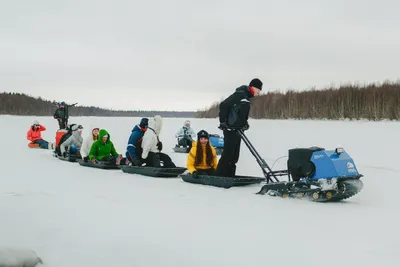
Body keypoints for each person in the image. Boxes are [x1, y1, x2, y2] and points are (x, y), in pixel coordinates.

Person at [214, 78, 262, 177]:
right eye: (258, 90)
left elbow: (240, 113)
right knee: (228, 154)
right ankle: (219, 175)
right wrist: (223, 122)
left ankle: (229, 175)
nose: (258, 92)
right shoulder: (240, 94)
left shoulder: (246, 97)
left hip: (238, 130)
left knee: (235, 155)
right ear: (253, 87)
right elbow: (224, 105)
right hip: (230, 129)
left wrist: (244, 123)